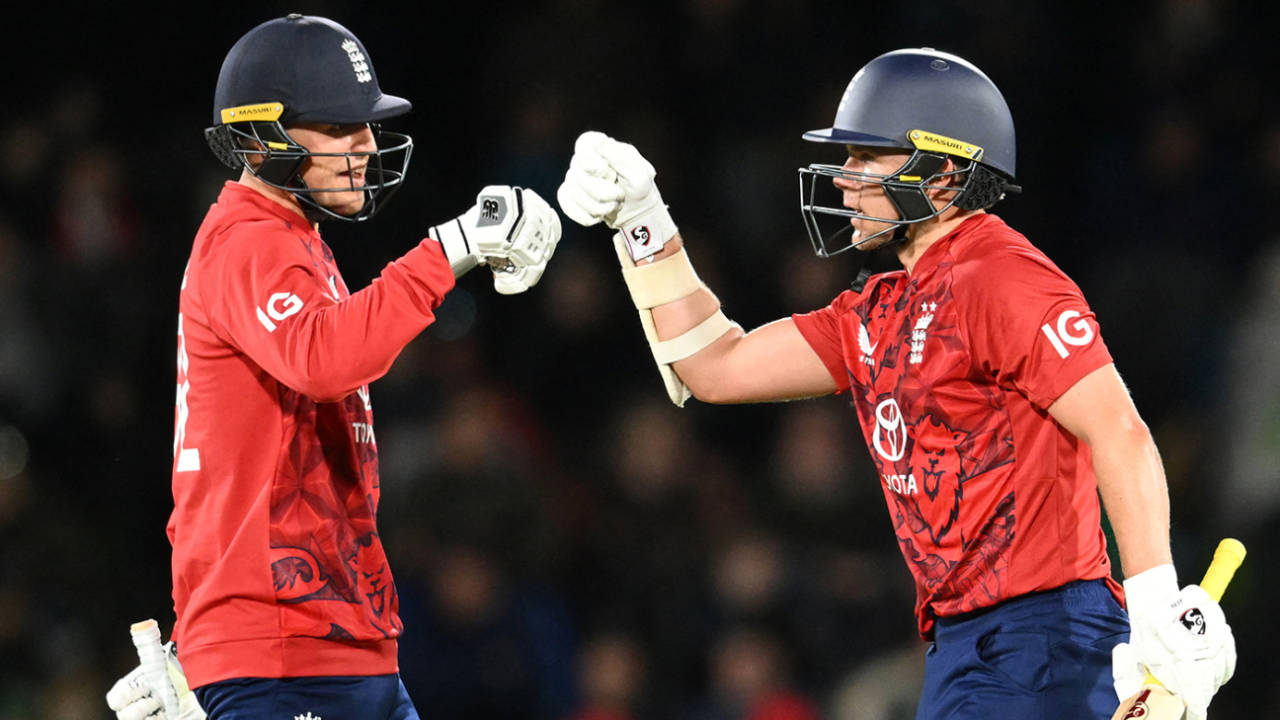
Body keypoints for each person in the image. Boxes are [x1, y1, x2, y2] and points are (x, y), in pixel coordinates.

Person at [556, 48, 1235, 720]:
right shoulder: (878, 308)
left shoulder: (1002, 276)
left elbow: (1119, 428)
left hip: (1045, 638)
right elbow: (713, 365)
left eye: (865, 157)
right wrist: (641, 219)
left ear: (940, 173)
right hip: (962, 648)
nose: (844, 179)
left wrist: (1155, 606)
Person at [106, 14, 560, 720]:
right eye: (340, 128)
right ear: (263, 138)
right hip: (279, 651)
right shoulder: (247, 240)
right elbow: (326, 358)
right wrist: (449, 249)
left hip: (335, 640)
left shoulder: (293, 240)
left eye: (366, 126)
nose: (367, 145)